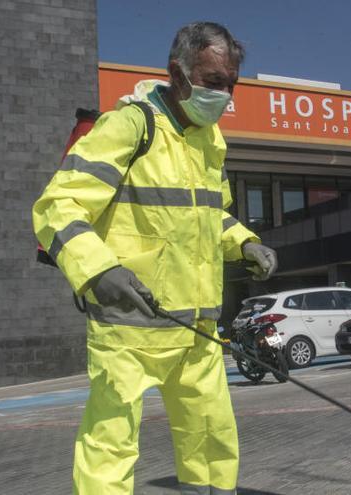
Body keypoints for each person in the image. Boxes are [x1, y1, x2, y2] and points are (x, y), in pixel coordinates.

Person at [32, 22, 277, 495]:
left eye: (230, 84)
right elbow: (58, 206)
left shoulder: (210, 142)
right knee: (111, 445)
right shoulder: (130, 125)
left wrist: (245, 242)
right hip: (130, 328)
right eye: (213, 82)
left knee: (211, 437)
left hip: (198, 331)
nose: (224, 96)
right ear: (177, 73)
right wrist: (99, 270)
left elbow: (213, 216)